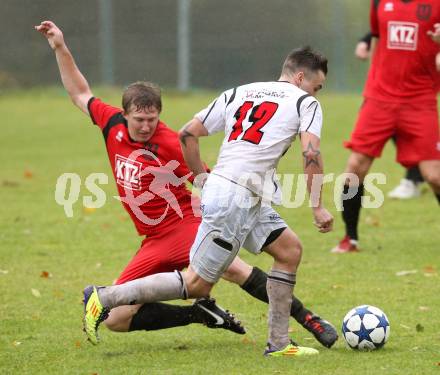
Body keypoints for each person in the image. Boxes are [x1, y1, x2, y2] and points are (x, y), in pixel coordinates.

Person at [35, 21, 338, 348]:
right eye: (139, 120)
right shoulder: (111, 123)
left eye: (152, 119)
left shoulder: (209, 112)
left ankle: (288, 336)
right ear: (124, 115)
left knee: (279, 253)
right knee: (138, 310)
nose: (146, 126)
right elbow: (81, 93)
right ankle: (118, 299)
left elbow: (189, 141)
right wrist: (60, 47)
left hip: (195, 217)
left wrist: (208, 185)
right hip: (166, 230)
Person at [332, 0, 440, 253]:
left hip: (420, 100)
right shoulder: (380, 2)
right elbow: (376, 31)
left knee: (434, 175)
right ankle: (350, 239)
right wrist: (364, 41)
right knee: (355, 166)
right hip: (379, 99)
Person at [355, 31, 426, 200]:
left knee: (412, 131)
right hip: (387, 84)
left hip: (415, 83)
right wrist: (365, 41)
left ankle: (414, 178)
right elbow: (388, 23)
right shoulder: (387, 6)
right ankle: (415, 177)